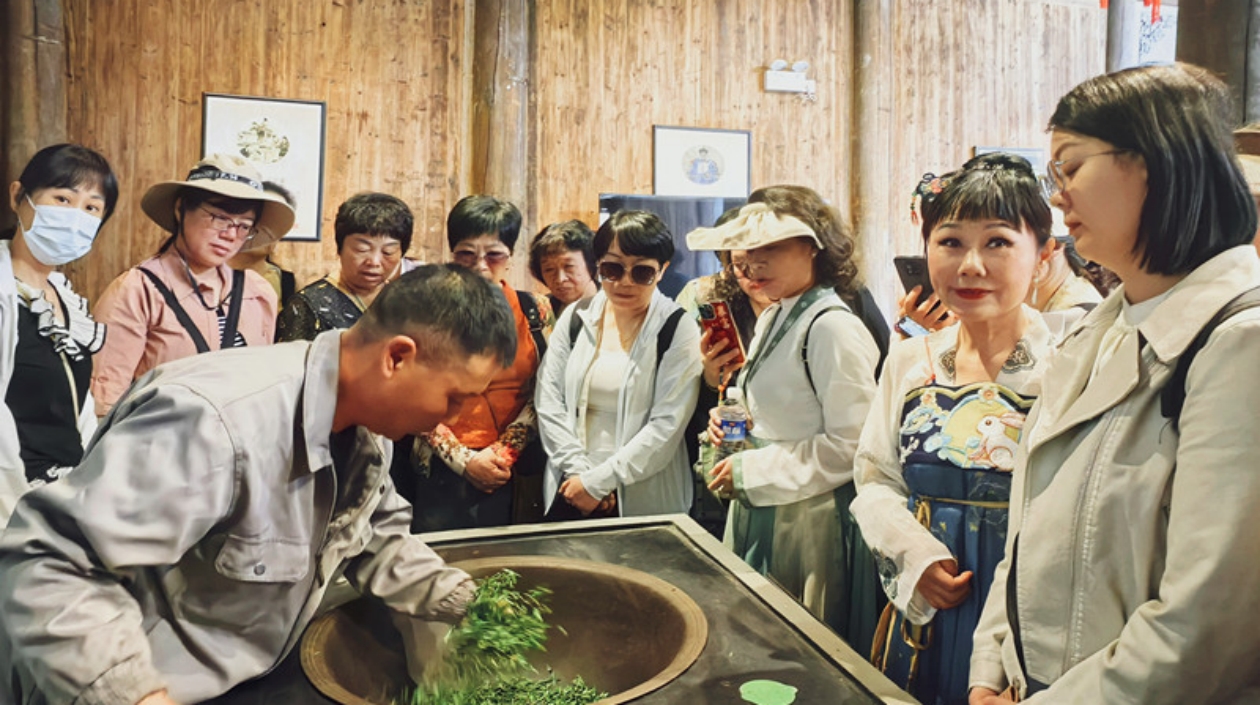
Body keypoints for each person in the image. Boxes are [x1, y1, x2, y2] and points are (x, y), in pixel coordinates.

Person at [0, 264, 519, 705]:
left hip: (249, 674)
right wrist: (135, 695)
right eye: (454, 397)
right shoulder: (215, 422)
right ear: (397, 357)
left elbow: (376, 539)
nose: (455, 415)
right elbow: (49, 564)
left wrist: (473, 604)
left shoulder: (369, 433)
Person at [969, 63, 1260, 704]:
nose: (1058, 197)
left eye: (1070, 168)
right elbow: (1029, 536)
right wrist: (992, 665)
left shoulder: (1241, 344)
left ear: (1158, 160)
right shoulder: (1092, 333)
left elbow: (1205, 626)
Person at [850, 154, 1067, 705]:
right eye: (950, 242)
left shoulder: (1067, 366)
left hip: (1025, 618)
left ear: (1042, 256)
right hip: (924, 611)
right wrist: (914, 558)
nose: (970, 265)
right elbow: (874, 478)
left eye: (997, 242)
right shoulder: (909, 361)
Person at [688, 200, 879, 637]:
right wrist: (732, 419)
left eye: (769, 247)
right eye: (743, 252)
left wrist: (753, 469)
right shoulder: (779, 312)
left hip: (808, 520)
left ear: (813, 246)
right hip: (766, 501)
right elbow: (778, 407)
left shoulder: (831, 327)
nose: (753, 263)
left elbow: (853, 445)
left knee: (798, 643)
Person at [90, 154, 294, 416]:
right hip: (160, 446)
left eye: (244, 226)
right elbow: (104, 403)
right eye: (219, 218)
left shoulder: (256, 292)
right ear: (180, 209)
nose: (231, 235)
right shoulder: (137, 290)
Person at [536, 209, 702, 518]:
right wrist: (581, 476)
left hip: (643, 492)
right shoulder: (576, 317)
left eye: (642, 272)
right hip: (571, 486)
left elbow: (667, 425)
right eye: (612, 269)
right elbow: (549, 401)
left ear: (662, 270)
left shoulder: (678, 328)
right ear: (597, 266)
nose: (624, 282)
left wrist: (600, 482)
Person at [402, 195, 552, 530]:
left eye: (494, 254)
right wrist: (465, 461)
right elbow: (408, 393)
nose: (481, 266)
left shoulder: (536, 310)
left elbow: (545, 388)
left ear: (511, 257)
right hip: (442, 468)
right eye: (467, 254)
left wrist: (504, 453)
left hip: (513, 467)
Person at [0, 144, 118, 523]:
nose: (75, 217)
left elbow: (78, 406)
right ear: (19, 197)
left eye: (91, 208)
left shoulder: (64, 299)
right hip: (13, 505)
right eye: (62, 198)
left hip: (65, 502)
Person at [276, 192, 413, 342]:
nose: (374, 262)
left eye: (388, 252)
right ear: (340, 248)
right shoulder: (308, 305)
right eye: (362, 249)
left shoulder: (407, 301)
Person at [229, 180, 298, 308]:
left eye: (276, 223)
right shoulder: (213, 274)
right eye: (262, 217)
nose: (267, 230)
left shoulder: (284, 280)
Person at [528, 219, 599, 313]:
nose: (560, 279)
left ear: (591, 265)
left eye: (569, 266)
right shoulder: (541, 310)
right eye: (549, 269)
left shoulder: (612, 306)